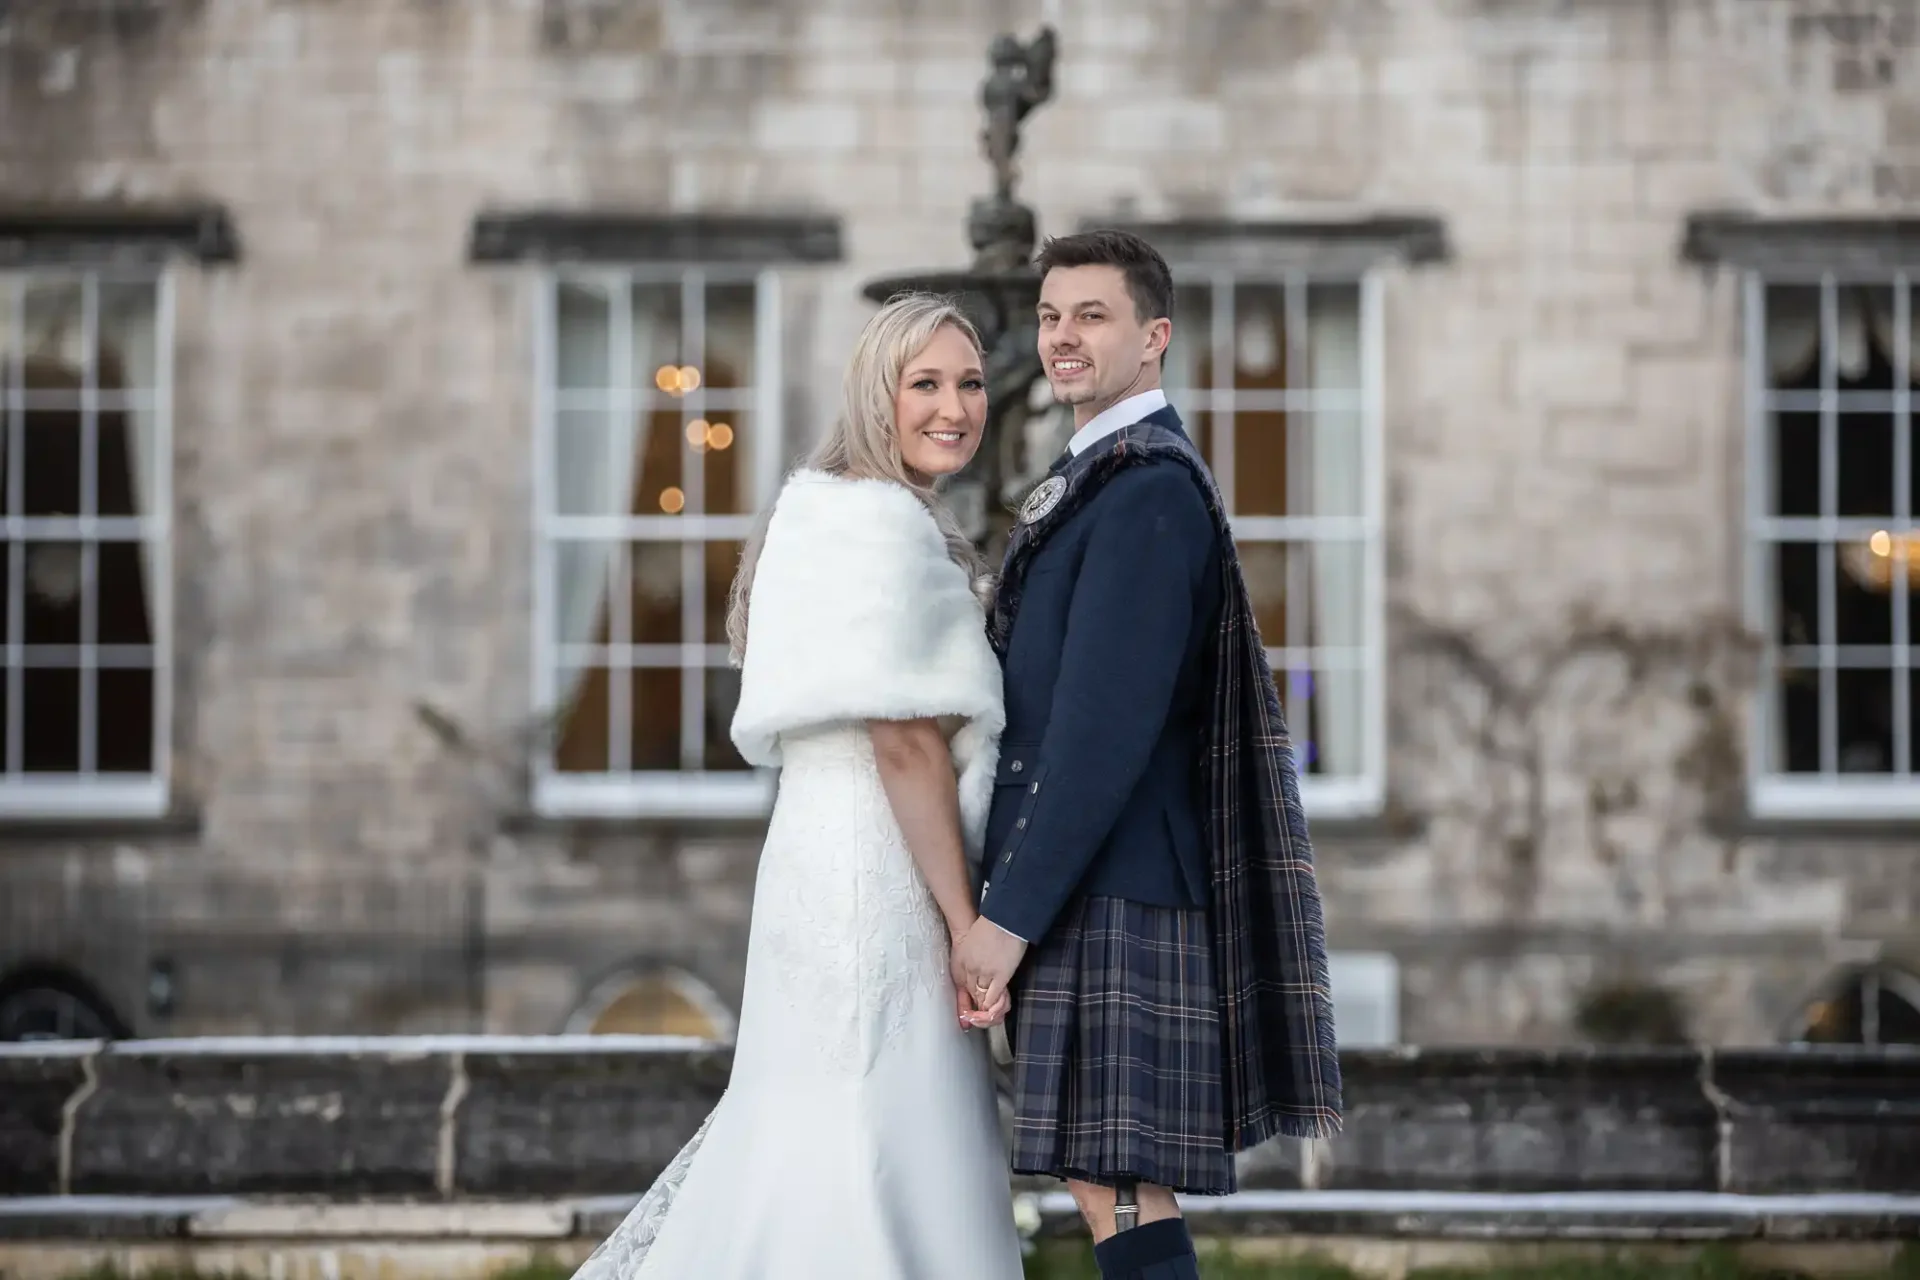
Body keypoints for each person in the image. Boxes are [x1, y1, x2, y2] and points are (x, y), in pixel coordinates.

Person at [572, 293, 1024, 1280]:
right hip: (882, 869)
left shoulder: (826, 511)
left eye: (971, 382)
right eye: (926, 383)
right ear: (877, 392)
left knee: (820, 1125)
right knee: (881, 1136)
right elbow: (904, 740)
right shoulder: (878, 522)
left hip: (821, 853)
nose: (955, 406)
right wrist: (965, 926)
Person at [951, 229, 1345, 1280]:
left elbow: (1101, 731)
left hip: (1112, 885)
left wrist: (1007, 916)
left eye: (1093, 315)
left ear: (1154, 337)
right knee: (1105, 1180)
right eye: (1049, 316)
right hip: (1101, 880)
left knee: (1116, 1179)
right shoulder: (1103, 477)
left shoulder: (1147, 490)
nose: (1062, 337)